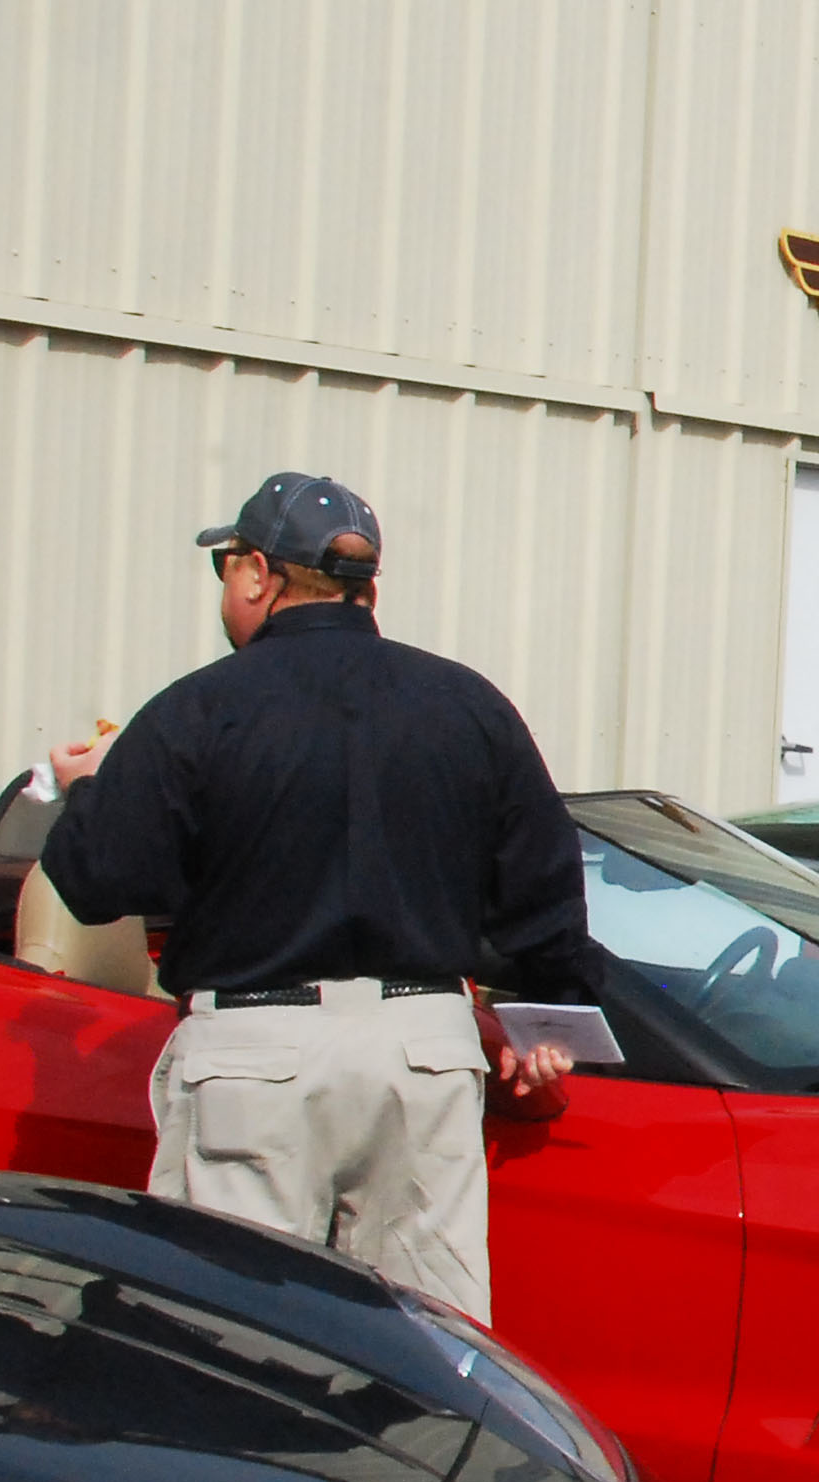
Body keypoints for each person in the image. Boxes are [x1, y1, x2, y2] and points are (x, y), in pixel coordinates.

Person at [40, 473, 599, 1318]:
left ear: (260, 573)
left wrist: (88, 789)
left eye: (227, 566)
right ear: (365, 587)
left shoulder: (199, 711)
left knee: (239, 1345)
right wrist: (552, 1011)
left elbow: (95, 882)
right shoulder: (469, 705)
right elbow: (543, 891)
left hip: (257, 1058)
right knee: (426, 1350)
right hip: (426, 1050)